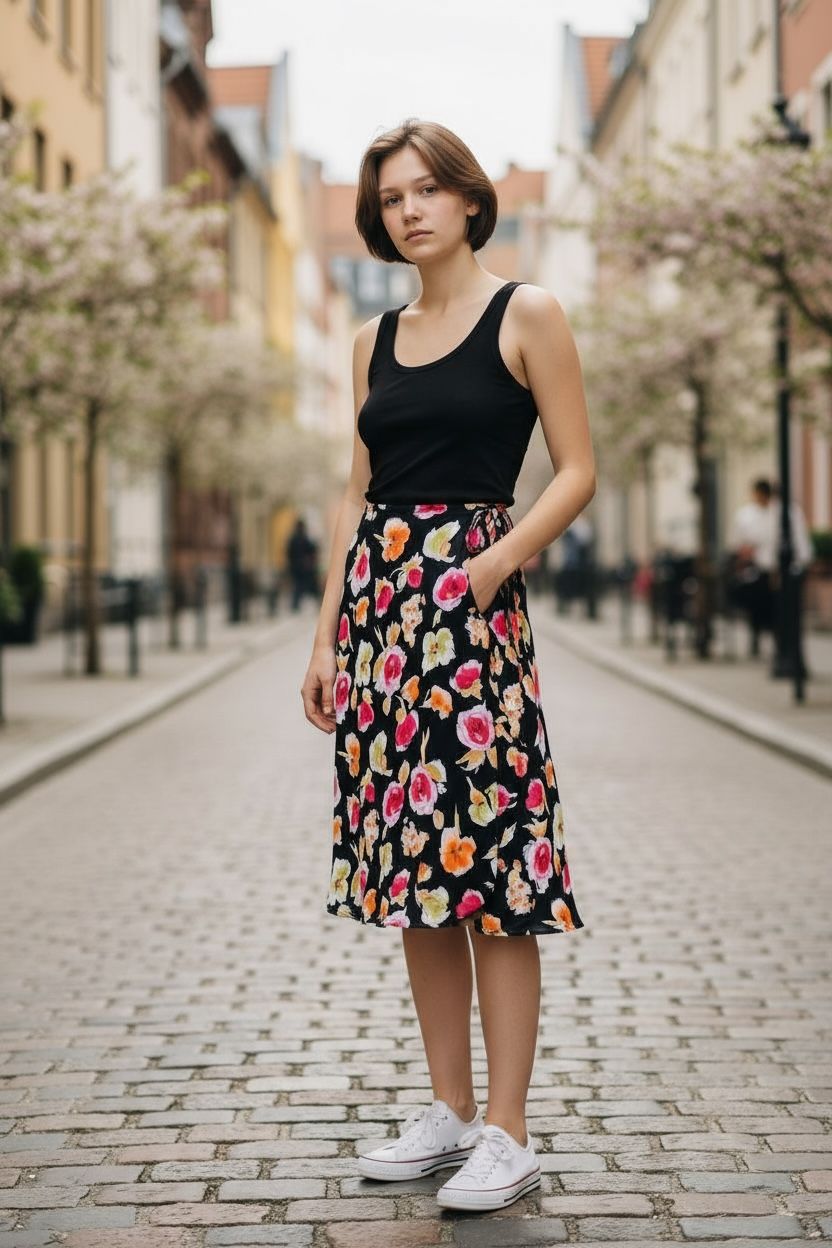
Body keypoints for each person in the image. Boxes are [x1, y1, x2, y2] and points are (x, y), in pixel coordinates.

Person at [300, 119, 596, 1213]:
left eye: (428, 190)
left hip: (472, 614)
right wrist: (329, 633)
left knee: (495, 876)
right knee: (415, 875)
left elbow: (577, 469)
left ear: (471, 200)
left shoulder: (530, 315)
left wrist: (494, 565)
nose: (409, 209)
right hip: (381, 616)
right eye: (390, 198)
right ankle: (448, 1111)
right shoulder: (372, 339)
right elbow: (354, 490)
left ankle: (509, 1131)